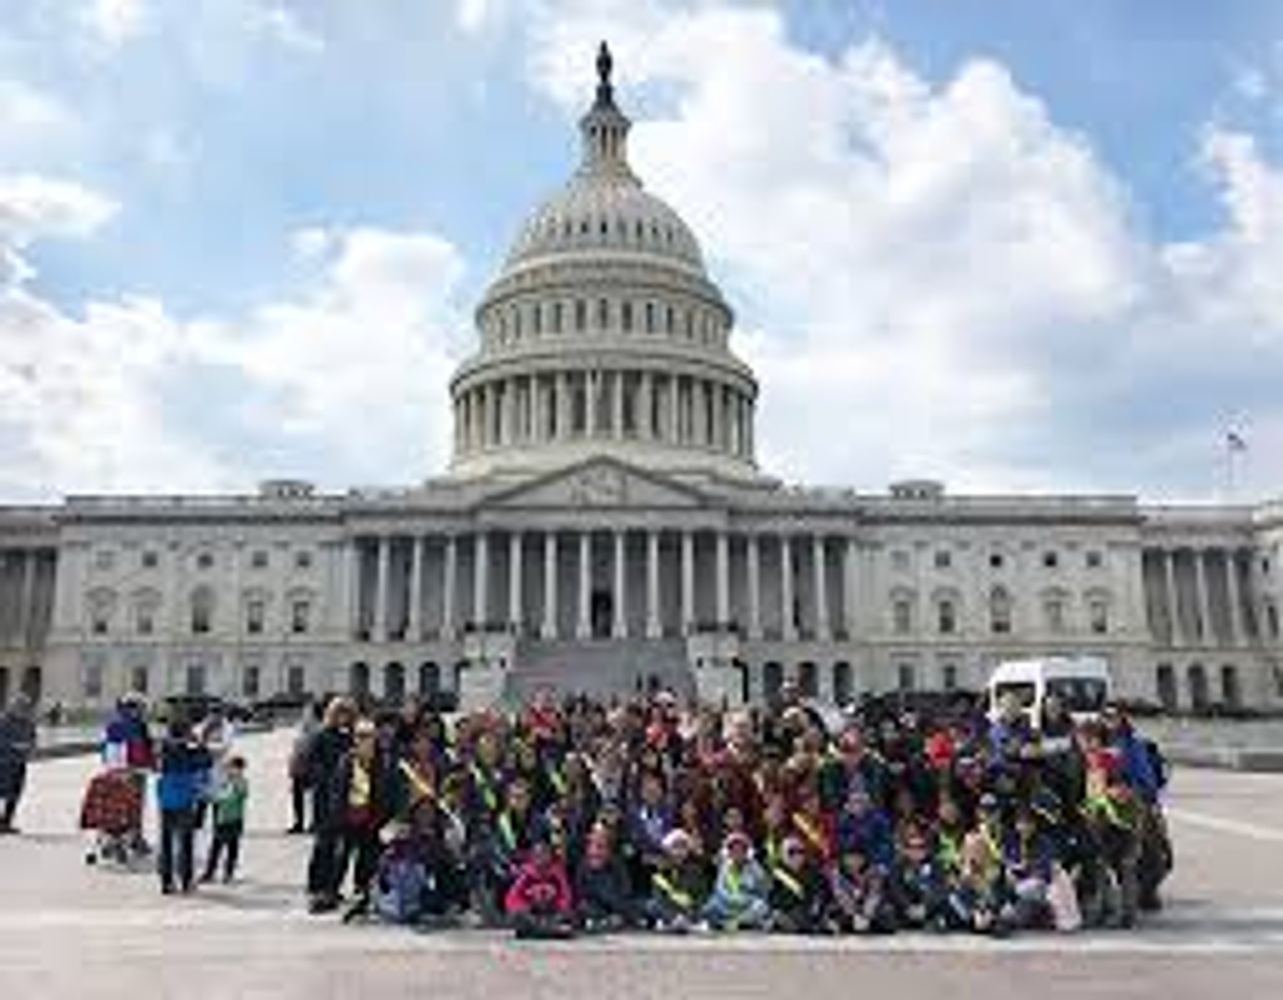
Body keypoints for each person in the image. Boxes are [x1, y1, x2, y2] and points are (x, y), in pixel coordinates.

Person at [306, 697, 356, 913]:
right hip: (325, 796)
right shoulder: (320, 735)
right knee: (324, 843)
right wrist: (331, 779)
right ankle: (317, 885)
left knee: (341, 846)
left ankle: (332, 886)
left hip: (346, 798)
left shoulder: (350, 738)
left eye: (347, 714)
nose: (343, 717)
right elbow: (312, 764)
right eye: (340, 713)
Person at [156, 718, 212, 895]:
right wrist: (200, 743)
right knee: (185, 841)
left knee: (166, 841)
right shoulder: (188, 752)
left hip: (166, 799)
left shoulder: (164, 749)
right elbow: (207, 761)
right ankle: (186, 881)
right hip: (185, 800)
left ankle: (166, 882)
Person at [504, 834, 575, 938]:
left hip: (551, 913)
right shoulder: (526, 874)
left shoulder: (557, 874)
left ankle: (545, 929)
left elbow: (566, 895)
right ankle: (546, 930)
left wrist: (560, 907)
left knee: (569, 917)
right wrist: (525, 907)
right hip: (531, 914)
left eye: (544, 854)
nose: (541, 859)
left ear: (550, 856)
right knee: (519, 918)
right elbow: (512, 898)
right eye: (537, 855)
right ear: (532, 857)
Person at [703, 830, 771, 931]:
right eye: (734, 850)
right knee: (710, 906)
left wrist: (744, 900)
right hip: (727, 904)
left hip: (747, 905)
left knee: (761, 907)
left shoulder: (756, 869)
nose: (737, 853)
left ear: (746, 852)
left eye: (741, 850)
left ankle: (736, 923)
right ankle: (733, 923)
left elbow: (762, 893)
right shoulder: (724, 867)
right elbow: (719, 890)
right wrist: (733, 900)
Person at [201, 755, 248, 883]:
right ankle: (210, 872)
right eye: (229, 768)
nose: (229, 770)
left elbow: (229, 796)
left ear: (240, 769)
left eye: (232, 768)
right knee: (216, 846)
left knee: (232, 848)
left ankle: (228, 873)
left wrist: (213, 796)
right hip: (222, 819)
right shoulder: (226, 781)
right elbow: (218, 794)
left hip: (234, 819)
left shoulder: (240, 782)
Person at [0, 694, 36, 833]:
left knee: (15, 793)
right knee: (2, 791)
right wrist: (15, 746)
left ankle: (6, 821)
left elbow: (32, 739)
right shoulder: (4, 721)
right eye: (22, 707)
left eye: (26, 707)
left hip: (19, 762)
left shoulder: (28, 723)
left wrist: (30, 748)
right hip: (4, 762)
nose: (24, 710)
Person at [288, 699, 322, 834]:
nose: (304, 714)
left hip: (311, 765)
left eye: (307, 712)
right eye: (304, 712)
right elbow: (296, 747)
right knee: (297, 795)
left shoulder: (319, 729)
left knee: (313, 797)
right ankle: (299, 822)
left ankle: (314, 822)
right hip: (299, 765)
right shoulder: (301, 728)